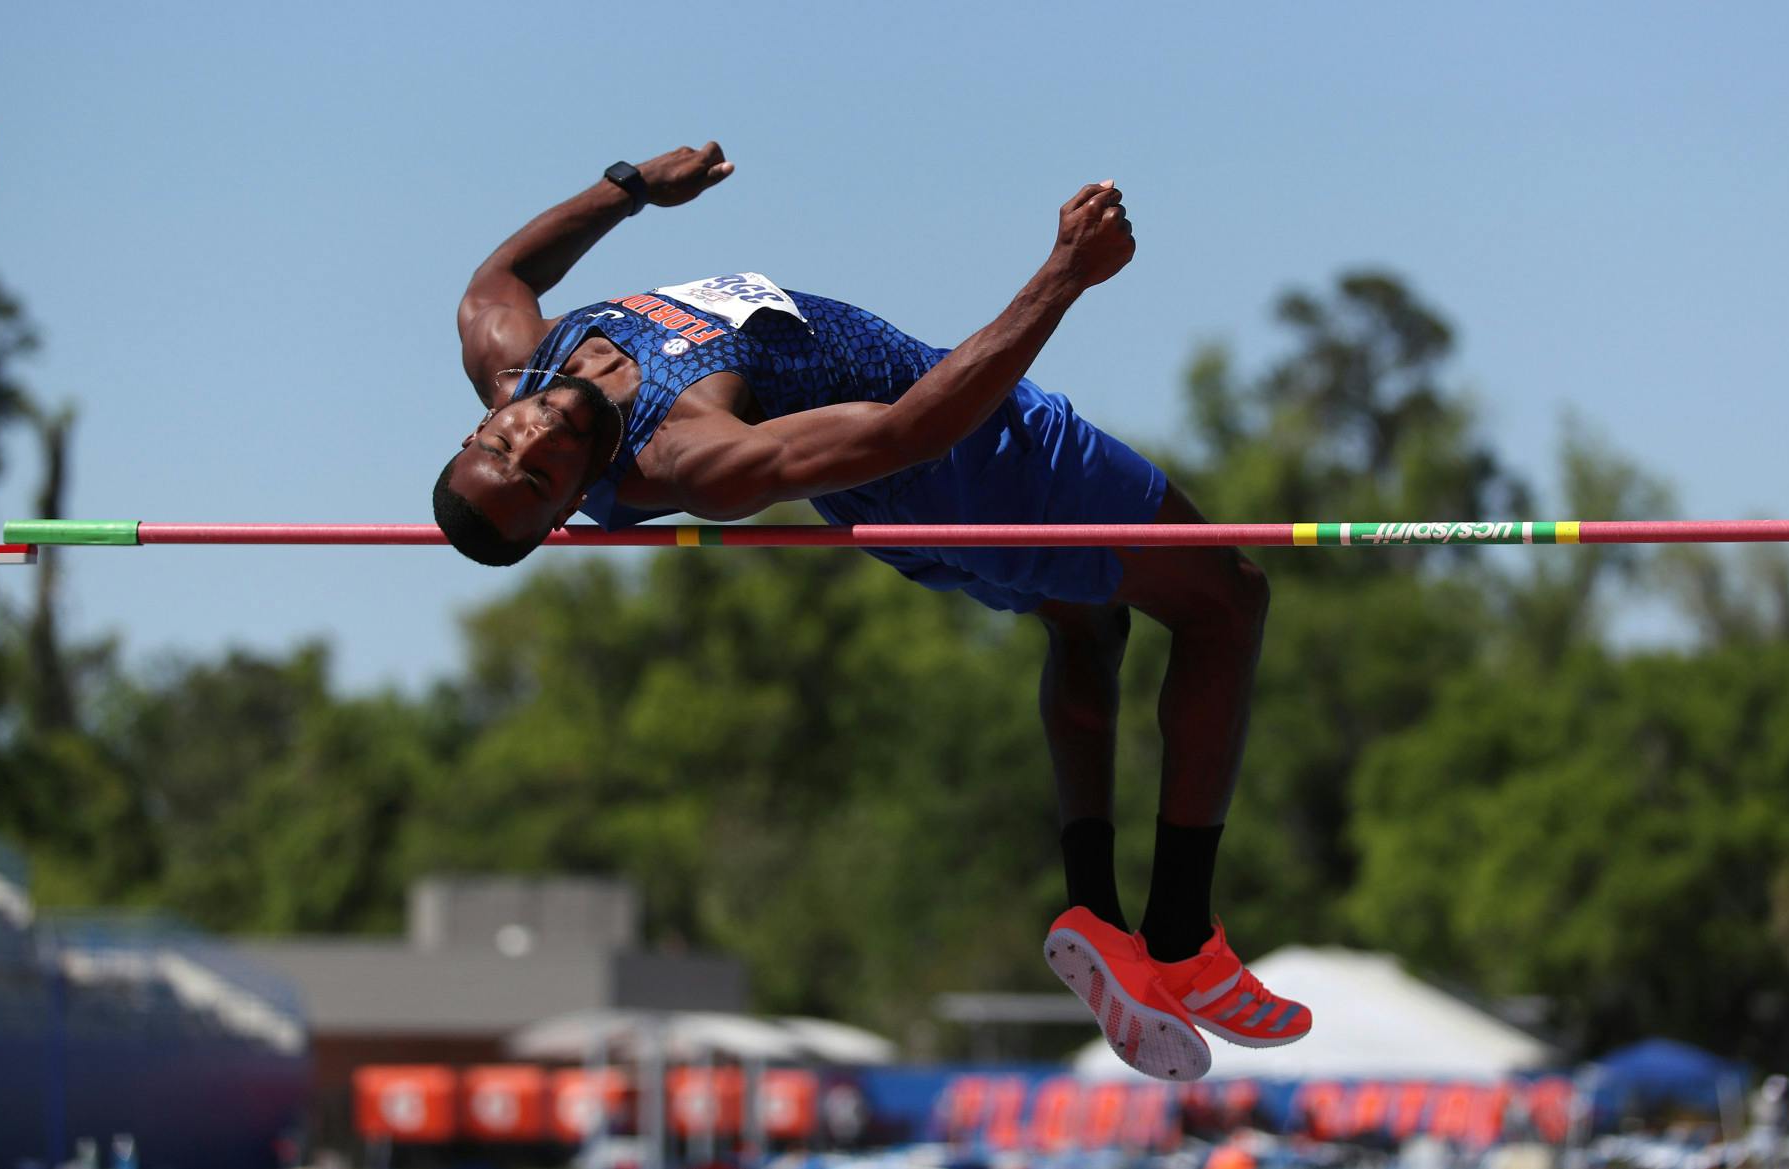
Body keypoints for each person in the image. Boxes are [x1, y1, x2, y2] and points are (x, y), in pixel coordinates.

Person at [434, 143, 1310, 1080]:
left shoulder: (512, 358)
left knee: (1089, 620)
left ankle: (1096, 910)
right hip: (974, 454)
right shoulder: (686, 453)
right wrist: (1063, 277)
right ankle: (1179, 932)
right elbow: (908, 432)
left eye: (507, 442)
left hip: (912, 503)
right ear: (570, 507)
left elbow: (500, 276)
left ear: (484, 418)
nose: (536, 440)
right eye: (539, 478)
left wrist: (633, 189)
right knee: (1227, 598)